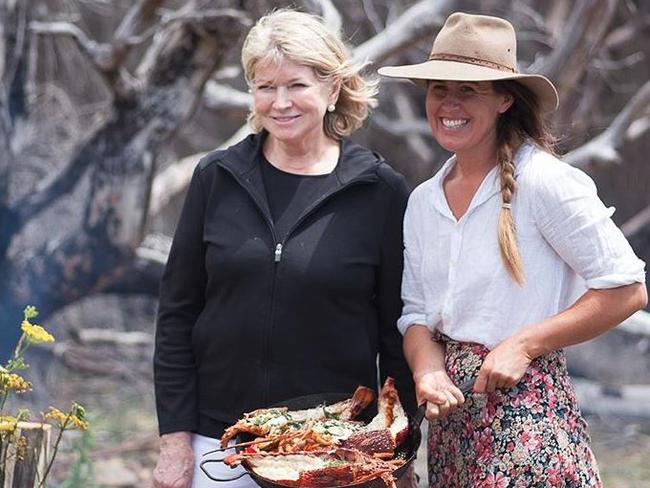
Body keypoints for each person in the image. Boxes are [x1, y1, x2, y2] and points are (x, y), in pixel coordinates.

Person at [379, 12, 647, 487]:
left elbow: (626, 289)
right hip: (453, 425)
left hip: (528, 421)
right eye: (439, 88)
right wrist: (428, 372)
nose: (449, 103)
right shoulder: (423, 201)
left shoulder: (544, 182)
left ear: (505, 98)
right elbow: (416, 313)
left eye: (469, 89)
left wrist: (524, 344)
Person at [153, 9, 415, 488]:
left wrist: (399, 452)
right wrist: (174, 440)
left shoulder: (379, 190)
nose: (280, 102)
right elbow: (176, 314)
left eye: (296, 85)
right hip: (220, 447)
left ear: (332, 89)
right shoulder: (217, 178)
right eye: (265, 86)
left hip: (335, 452)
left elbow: (396, 333)